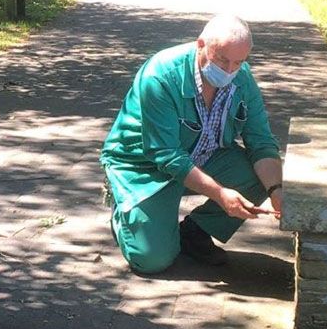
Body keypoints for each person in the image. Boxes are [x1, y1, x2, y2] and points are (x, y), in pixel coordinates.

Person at [100, 15, 285, 274]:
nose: (230, 70)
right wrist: (220, 194)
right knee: (152, 260)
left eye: (238, 62)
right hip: (145, 166)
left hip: (202, 154)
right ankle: (124, 207)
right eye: (222, 59)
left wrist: (276, 191)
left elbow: (261, 140)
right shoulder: (160, 74)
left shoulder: (242, 77)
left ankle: (195, 231)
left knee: (262, 175)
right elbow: (165, 155)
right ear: (201, 45)